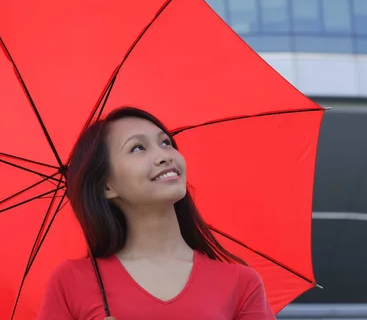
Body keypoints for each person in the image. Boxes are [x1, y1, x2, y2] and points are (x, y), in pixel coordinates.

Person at [36, 106, 276, 320]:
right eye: (138, 148)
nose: (164, 156)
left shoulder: (240, 282)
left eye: (165, 143)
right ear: (107, 186)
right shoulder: (73, 281)